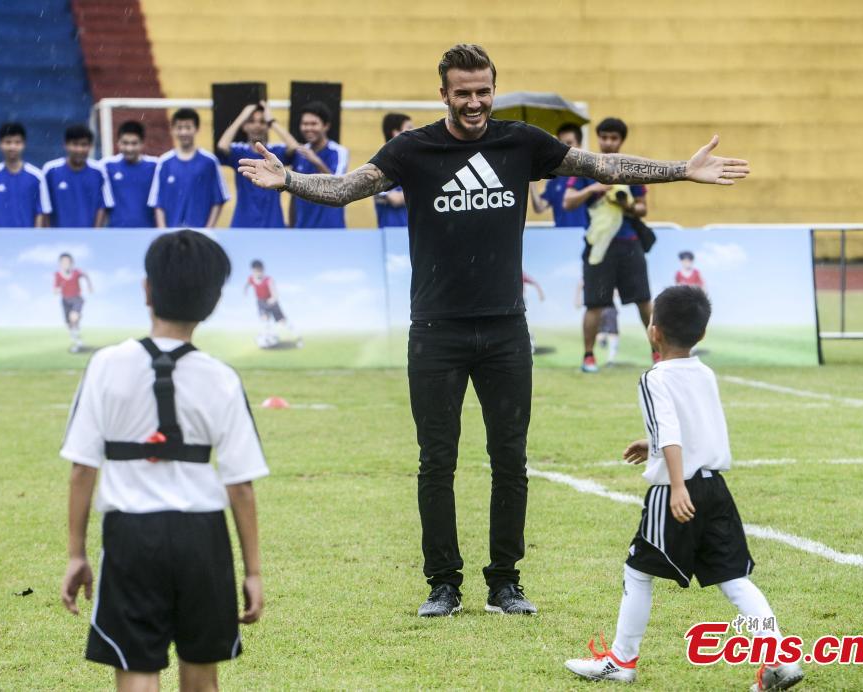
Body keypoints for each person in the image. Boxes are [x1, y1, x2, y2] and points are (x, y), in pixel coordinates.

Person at [238, 43, 749, 618]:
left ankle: (506, 582)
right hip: (436, 332)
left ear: (493, 90)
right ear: (443, 94)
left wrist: (681, 169)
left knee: (510, 460)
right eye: (463, 93)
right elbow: (347, 188)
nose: (475, 102)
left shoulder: (520, 143)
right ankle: (443, 584)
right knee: (436, 461)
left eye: (484, 91)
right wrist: (289, 180)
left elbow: (601, 168)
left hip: (506, 330)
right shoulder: (413, 149)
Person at [564, 286, 803, 692]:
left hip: (677, 490)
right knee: (734, 578)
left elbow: (672, 432)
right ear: (702, 334)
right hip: (716, 488)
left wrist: (676, 484)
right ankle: (780, 656)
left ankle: (621, 661)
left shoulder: (653, 378)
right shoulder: (705, 372)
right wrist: (653, 445)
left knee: (637, 572)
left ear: (653, 331)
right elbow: (693, 428)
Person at [59, 229, 267, 691]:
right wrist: (253, 572)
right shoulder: (222, 378)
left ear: (146, 290)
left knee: (136, 675)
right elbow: (241, 486)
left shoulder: (105, 364)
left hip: (131, 535)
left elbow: (82, 468)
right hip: (203, 537)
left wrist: (76, 553)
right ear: (213, 303)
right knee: (201, 679)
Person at [565, 118, 653, 373]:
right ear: (598, 138)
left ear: (621, 140)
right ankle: (588, 357)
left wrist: (626, 204)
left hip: (629, 244)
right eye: (604, 137)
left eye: (613, 138)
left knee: (643, 300)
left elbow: (643, 209)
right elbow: (568, 201)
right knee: (594, 303)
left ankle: (658, 353)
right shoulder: (586, 167)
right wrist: (593, 188)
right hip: (597, 246)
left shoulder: (632, 168)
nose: (608, 143)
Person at [217, 101, 324, 228]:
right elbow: (222, 145)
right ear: (244, 126)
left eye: (262, 121)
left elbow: (294, 146)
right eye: (251, 121)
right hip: (243, 221)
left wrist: (272, 121)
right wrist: (242, 116)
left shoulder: (275, 152)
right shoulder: (239, 151)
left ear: (267, 126)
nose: (257, 125)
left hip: (273, 222)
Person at [149, 108, 229, 228]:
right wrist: (163, 231)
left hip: (200, 234)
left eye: (188, 127)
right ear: (173, 130)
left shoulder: (210, 162)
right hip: (171, 233)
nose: (184, 132)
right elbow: (157, 202)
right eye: (179, 128)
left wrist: (208, 230)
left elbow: (218, 199)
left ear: (196, 128)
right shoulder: (164, 162)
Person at [286, 101, 348, 228]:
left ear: (326, 126)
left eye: (314, 124)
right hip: (302, 229)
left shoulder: (338, 151)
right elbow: (294, 196)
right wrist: (291, 228)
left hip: (331, 229)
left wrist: (316, 161)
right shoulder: (299, 153)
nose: (308, 128)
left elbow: (338, 185)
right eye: (305, 124)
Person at [43, 125, 114, 228]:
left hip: (90, 236)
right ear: (65, 145)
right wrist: (49, 234)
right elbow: (44, 206)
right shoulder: (51, 170)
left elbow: (103, 206)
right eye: (75, 144)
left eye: (84, 145)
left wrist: (95, 234)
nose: (79, 149)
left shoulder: (99, 171)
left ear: (90, 146)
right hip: (57, 236)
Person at [0, 122, 51, 227]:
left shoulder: (37, 176)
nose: (12, 147)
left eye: (17, 142)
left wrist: (36, 235)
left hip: (28, 237)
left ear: (24, 144)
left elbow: (40, 212)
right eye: (8, 142)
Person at [528, 123, 590, 227]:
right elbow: (539, 207)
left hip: (586, 234)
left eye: (569, 143)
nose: (564, 148)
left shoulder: (588, 175)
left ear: (579, 145)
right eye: (561, 144)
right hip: (561, 235)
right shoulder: (554, 179)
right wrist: (531, 176)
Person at [103, 121, 158, 228]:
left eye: (134, 143)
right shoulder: (106, 166)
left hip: (148, 231)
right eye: (125, 143)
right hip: (116, 231)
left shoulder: (156, 166)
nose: (129, 148)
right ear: (118, 143)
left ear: (142, 144)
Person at [244, 259, 302, 348]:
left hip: (272, 302)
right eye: (255, 271)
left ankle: (298, 337)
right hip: (261, 302)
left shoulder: (268, 280)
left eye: (259, 271)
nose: (257, 273)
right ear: (252, 271)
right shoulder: (251, 278)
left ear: (263, 270)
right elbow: (247, 284)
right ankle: (267, 339)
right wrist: (245, 290)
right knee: (264, 319)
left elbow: (275, 293)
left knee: (282, 322)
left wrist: (273, 299)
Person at [374, 113, 413, 228]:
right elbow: (395, 199)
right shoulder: (377, 164)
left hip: (413, 232)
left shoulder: (413, 161)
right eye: (409, 128)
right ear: (396, 133)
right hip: (389, 232)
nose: (414, 131)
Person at [54, 252, 92, 353]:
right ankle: (78, 341)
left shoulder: (76, 272)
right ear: (60, 264)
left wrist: (89, 286)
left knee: (73, 317)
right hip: (65, 301)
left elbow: (85, 275)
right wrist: (57, 290)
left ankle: (78, 342)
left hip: (76, 299)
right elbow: (55, 289)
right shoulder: (58, 275)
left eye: (68, 262)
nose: (65, 264)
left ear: (72, 263)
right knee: (69, 324)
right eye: (63, 262)